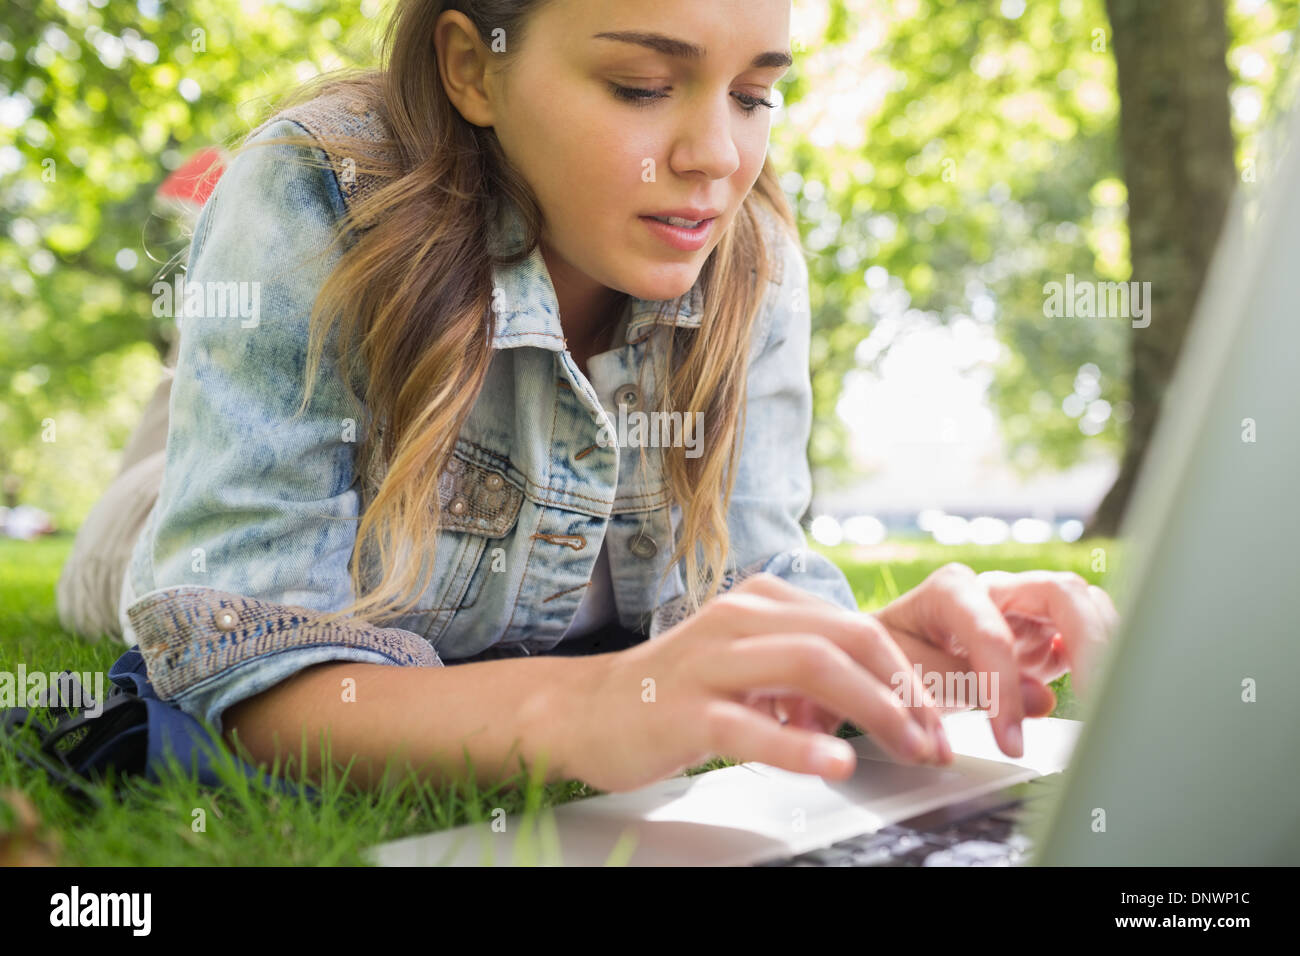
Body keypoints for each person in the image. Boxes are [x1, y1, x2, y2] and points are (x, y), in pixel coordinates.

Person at [58, 0, 1118, 796]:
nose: (717, 158)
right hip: (173, 502)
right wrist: (590, 703)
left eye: (755, 95)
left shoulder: (751, 258)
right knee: (129, 552)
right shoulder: (315, 191)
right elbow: (234, 664)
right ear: (474, 67)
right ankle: (184, 387)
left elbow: (741, 588)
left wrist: (870, 661)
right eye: (642, 87)